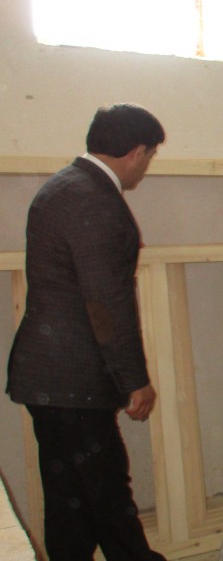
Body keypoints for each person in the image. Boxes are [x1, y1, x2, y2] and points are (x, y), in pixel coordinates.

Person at [6, 104, 168, 560]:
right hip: (72, 381)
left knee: (70, 502)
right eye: (150, 156)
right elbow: (105, 305)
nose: (146, 167)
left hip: (49, 376)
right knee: (108, 496)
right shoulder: (96, 201)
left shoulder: (62, 186)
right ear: (136, 152)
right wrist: (134, 380)